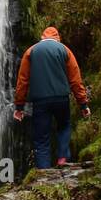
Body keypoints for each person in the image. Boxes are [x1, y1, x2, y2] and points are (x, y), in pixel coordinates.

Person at [14, 26, 90, 170]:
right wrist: (83, 104)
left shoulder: (31, 51)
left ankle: (43, 171)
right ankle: (62, 158)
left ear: (42, 37)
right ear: (57, 38)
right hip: (61, 98)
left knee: (42, 137)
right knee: (64, 126)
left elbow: (22, 81)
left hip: (40, 101)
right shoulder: (64, 50)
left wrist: (19, 106)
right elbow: (75, 80)